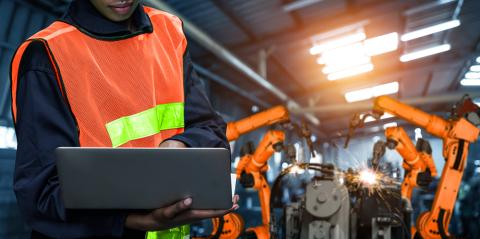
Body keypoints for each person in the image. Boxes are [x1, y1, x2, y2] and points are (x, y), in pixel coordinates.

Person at [10, 0, 238, 238]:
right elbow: (41, 195)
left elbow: (210, 129)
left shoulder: (169, 31)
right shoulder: (46, 54)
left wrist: (182, 145)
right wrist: (134, 221)